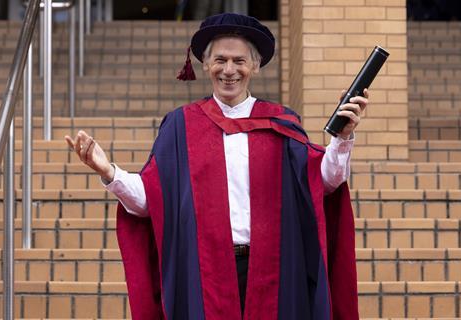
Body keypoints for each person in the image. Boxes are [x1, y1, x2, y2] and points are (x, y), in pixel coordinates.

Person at [65, 13, 367, 320]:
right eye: (220, 60)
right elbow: (149, 200)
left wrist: (342, 138)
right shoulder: (181, 126)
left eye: (239, 61)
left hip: (274, 268)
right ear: (206, 65)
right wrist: (108, 172)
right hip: (203, 269)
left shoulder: (281, 123)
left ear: (256, 66)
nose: (229, 70)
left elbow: (324, 182)